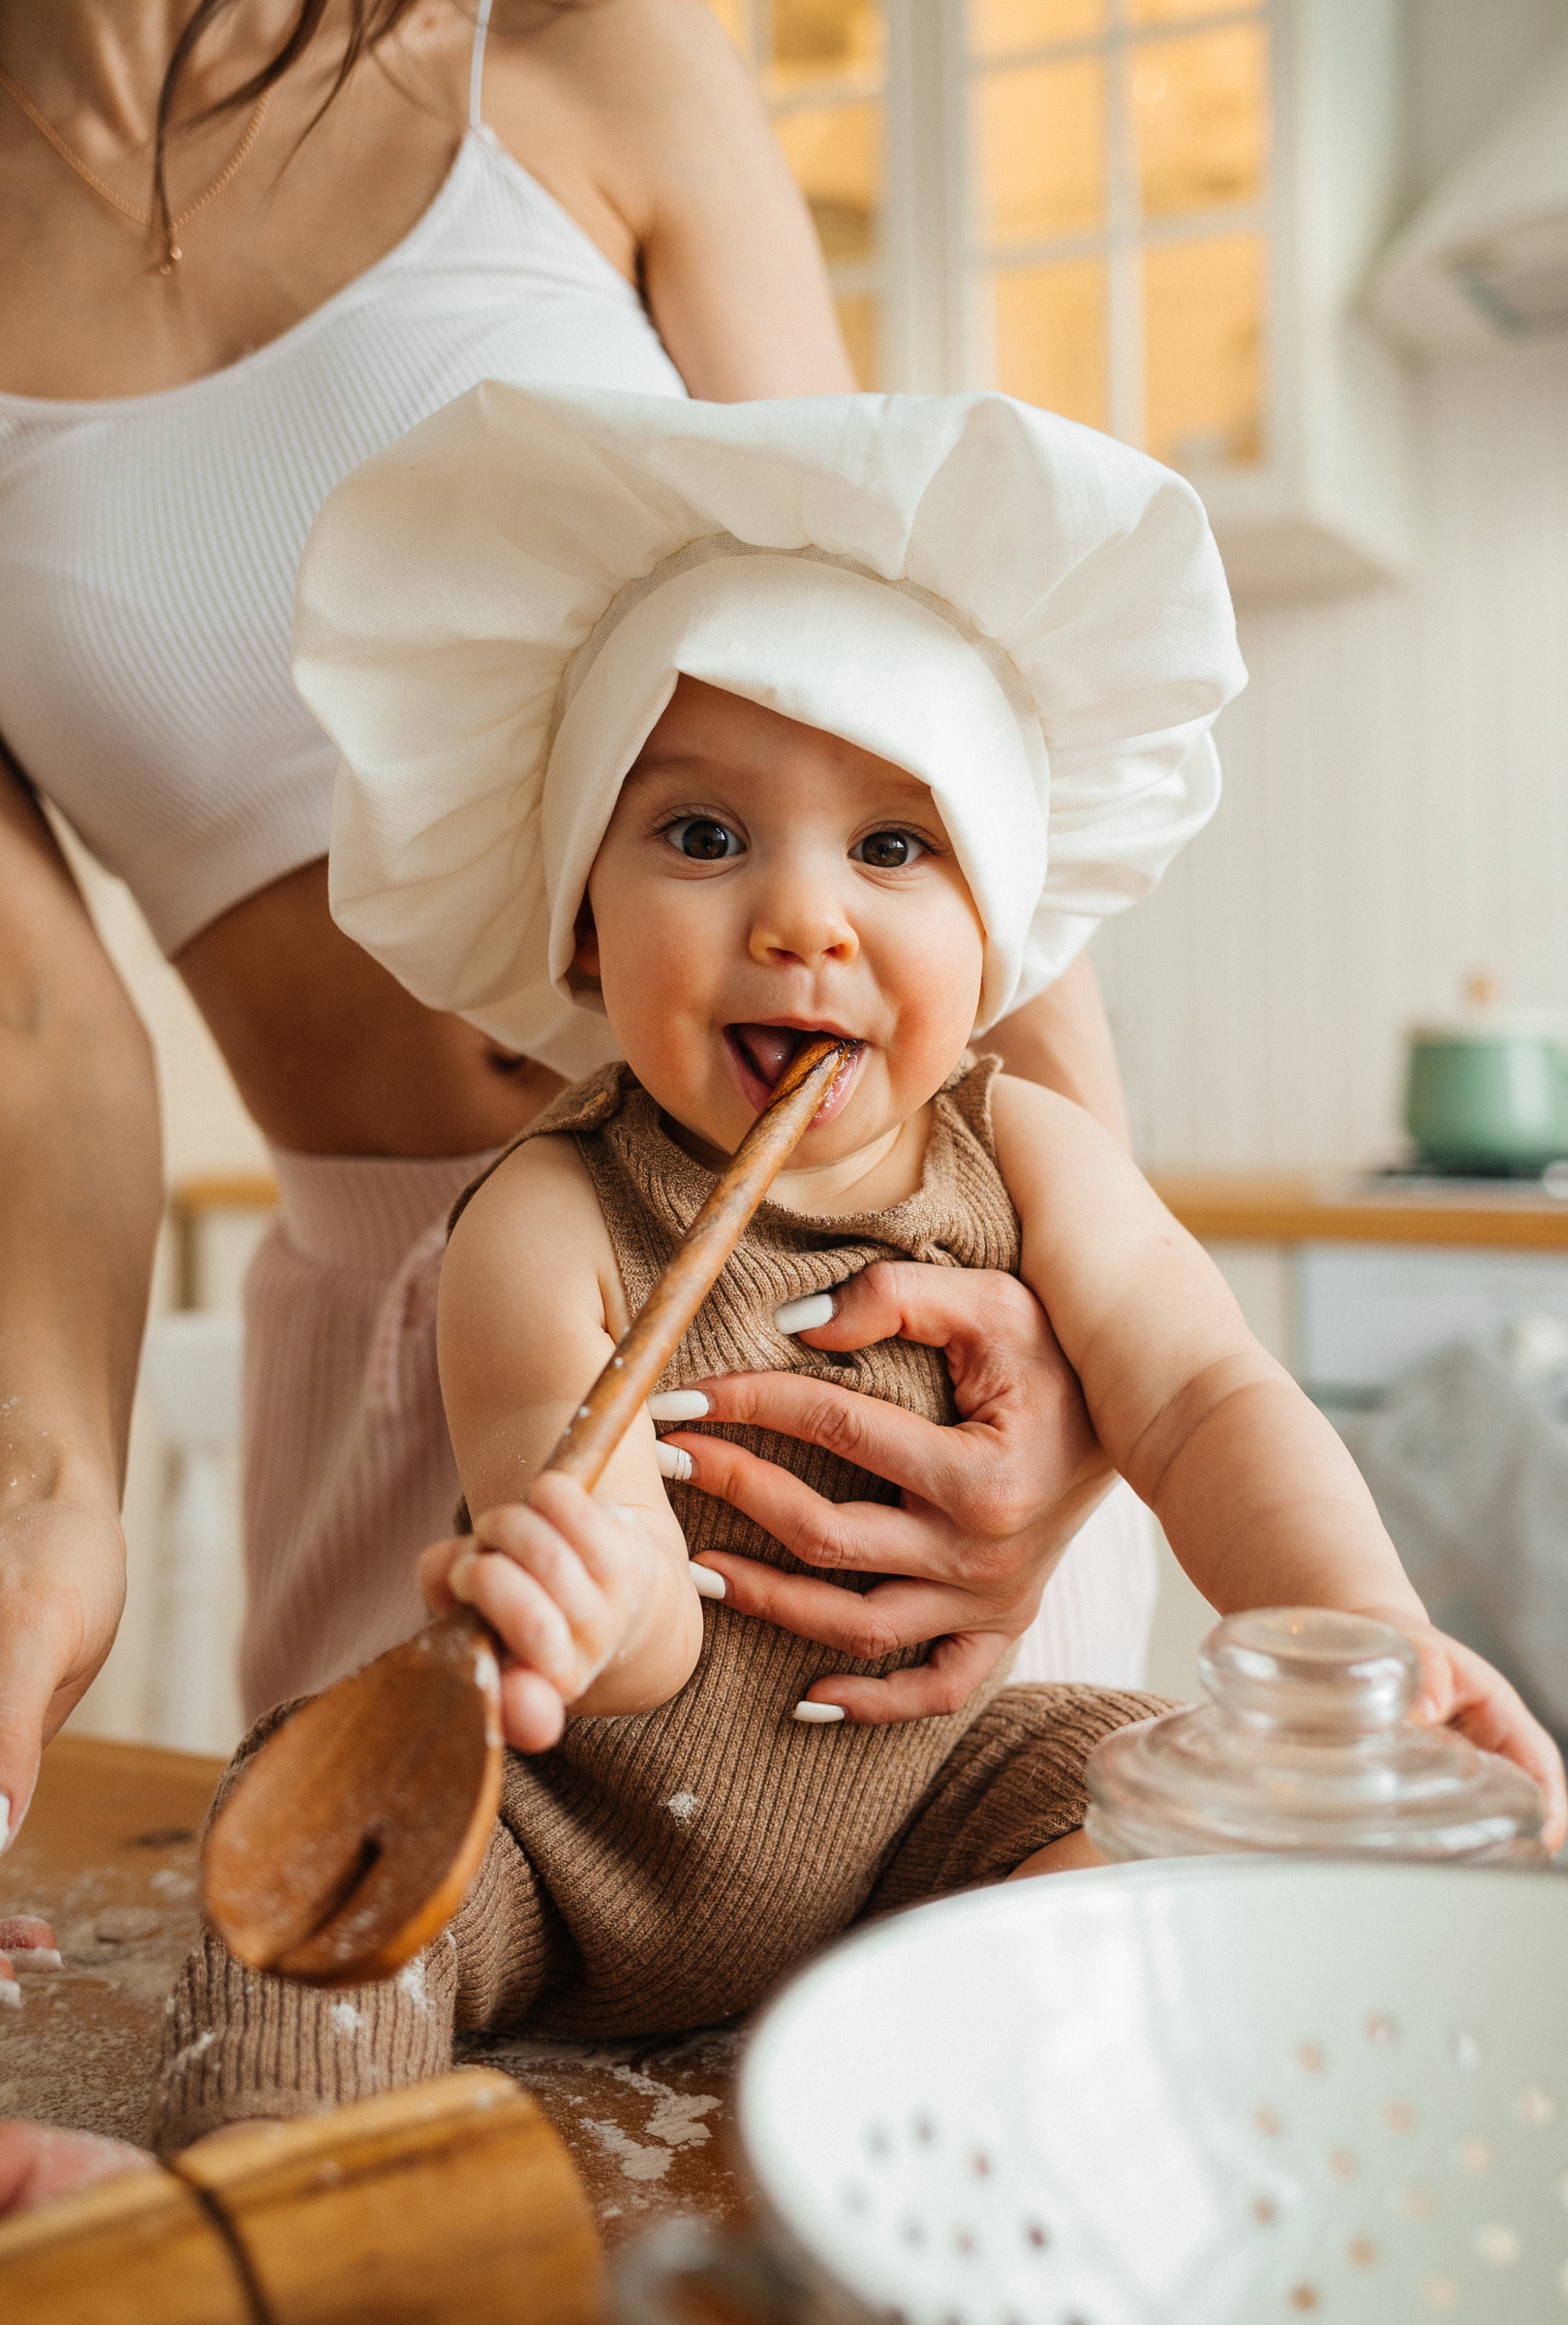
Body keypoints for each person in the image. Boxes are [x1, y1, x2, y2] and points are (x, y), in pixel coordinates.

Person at [142, 381, 1565, 2147]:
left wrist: (1367, 1630)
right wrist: (601, 1604)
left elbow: (1202, 1398)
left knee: (1146, 1801)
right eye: (702, 836)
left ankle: (1020, 2137)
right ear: (583, 921)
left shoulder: (1028, 1154)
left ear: (996, 931)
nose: (802, 916)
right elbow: (632, 1617)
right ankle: (272, 2207)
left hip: (921, 1816)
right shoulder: (547, 1215)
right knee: (298, 1887)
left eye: (894, 847)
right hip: (570, 1856)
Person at [0, 0, 1152, 1880]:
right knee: (397, 2092)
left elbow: (919, 673)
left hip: (866, 1325)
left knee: (964, 2111)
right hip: (405, 1379)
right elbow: (35, 1023)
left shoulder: (587, 56)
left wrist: (1087, 1348)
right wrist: (43, 1498)